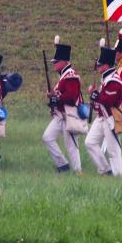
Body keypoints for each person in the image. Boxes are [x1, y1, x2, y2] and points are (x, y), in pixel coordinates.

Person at [42, 36, 85, 173]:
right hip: (61, 115)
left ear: (64, 62)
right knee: (47, 137)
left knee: (71, 145)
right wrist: (53, 99)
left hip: (70, 114)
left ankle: (78, 171)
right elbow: (61, 97)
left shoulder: (70, 75)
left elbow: (71, 97)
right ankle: (62, 165)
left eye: (56, 62)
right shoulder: (64, 75)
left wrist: (56, 97)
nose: (54, 64)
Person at [85, 40, 122, 176]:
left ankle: (118, 176)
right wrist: (95, 101)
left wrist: (94, 94)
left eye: (99, 65)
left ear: (106, 66)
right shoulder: (106, 77)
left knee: (114, 150)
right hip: (102, 117)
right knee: (90, 142)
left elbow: (109, 101)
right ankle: (105, 170)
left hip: (110, 118)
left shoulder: (113, 80)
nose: (97, 67)